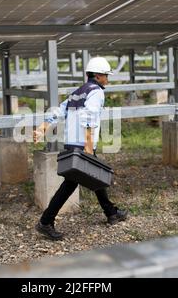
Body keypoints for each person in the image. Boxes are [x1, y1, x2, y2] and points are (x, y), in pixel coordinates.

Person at [33, 56, 128, 241]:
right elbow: (90, 118)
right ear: (98, 76)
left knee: (95, 174)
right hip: (83, 144)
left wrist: (42, 127)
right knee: (71, 184)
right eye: (106, 76)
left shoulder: (77, 92)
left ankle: (111, 212)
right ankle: (46, 221)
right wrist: (89, 146)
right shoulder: (96, 92)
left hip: (72, 143)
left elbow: (59, 111)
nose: (107, 80)